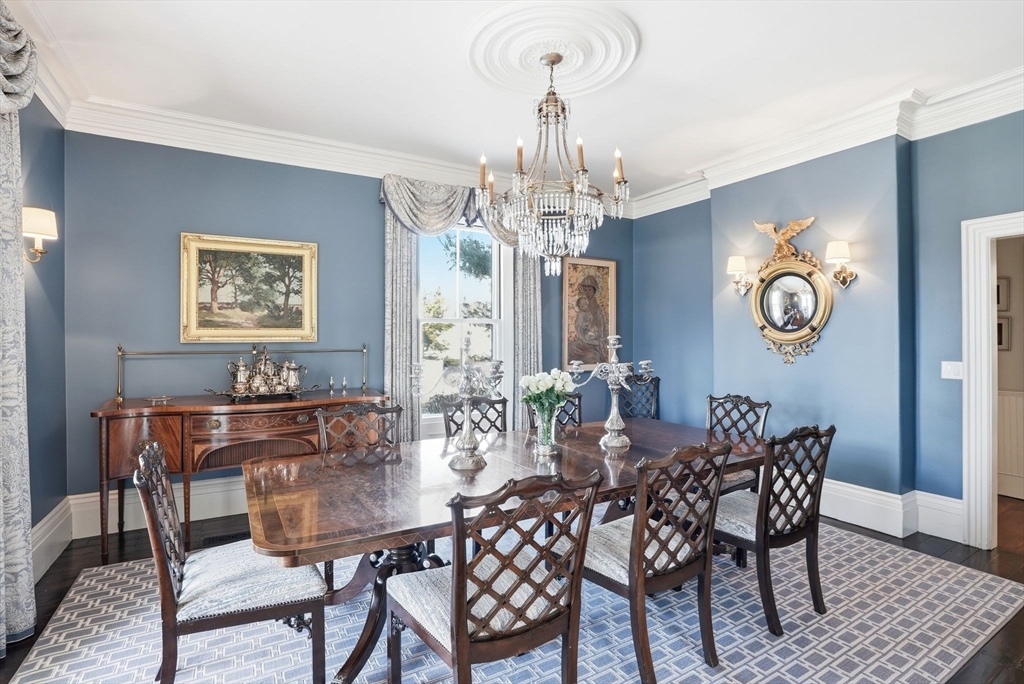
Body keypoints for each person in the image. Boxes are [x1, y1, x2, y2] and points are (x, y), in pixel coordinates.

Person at [567, 275, 607, 364]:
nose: (588, 292)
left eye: (590, 290)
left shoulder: (597, 310)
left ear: (594, 291)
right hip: (582, 340)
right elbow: (579, 327)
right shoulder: (581, 310)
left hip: (594, 342)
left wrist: (594, 333)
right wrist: (582, 328)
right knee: (569, 348)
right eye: (585, 290)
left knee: (591, 357)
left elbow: (601, 329)